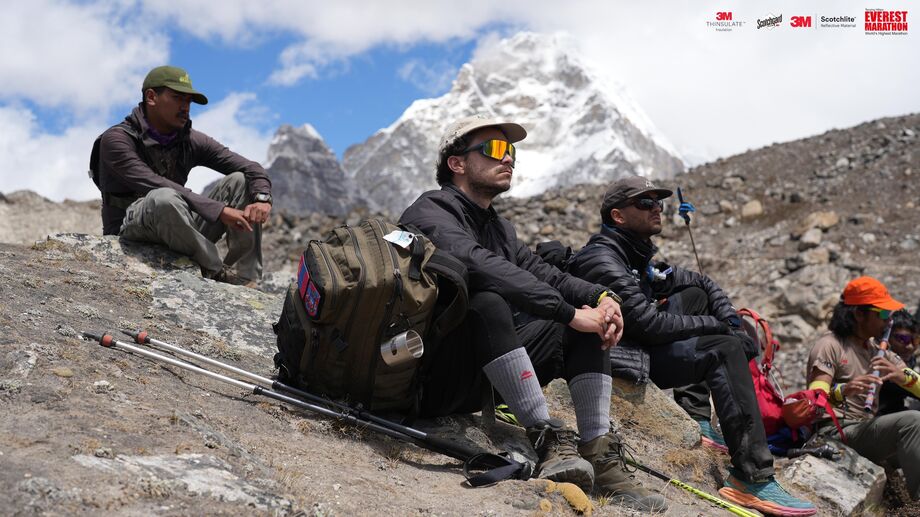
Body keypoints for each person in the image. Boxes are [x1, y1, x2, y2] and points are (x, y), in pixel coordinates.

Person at [399, 115, 666, 512]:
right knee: (484, 299)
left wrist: (602, 297)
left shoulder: (499, 228)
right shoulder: (430, 213)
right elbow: (479, 265)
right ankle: (545, 438)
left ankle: (597, 452)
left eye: (511, 152)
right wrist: (568, 313)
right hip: (428, 377)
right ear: (457, 163)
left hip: (479, 376)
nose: (507, 159)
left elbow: (543, 272)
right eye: (493, 150)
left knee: (587, 324)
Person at [566, 175, 816, 516]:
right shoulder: (602, 259)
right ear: (617, 216)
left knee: (695, 296)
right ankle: (752, 478)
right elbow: (649, 325)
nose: (657, 209)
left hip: (642, 346)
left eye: (659, 202)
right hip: (623, 356)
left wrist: (730, 321)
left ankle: (696, 416)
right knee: (723, 348)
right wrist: (721, 330)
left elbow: (701, 282)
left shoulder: (635, 255)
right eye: (645, 203)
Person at [97, 65, 272, 286]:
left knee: (240, 181)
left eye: (189, 101)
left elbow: (251, 168)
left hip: (178, 230)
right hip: (130, 233)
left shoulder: (190, 140)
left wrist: (262, 198)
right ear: (151, 97)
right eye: (178, 98)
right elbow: (153, 183)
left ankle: (244, 279)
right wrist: (219, 211)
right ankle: (215, 270)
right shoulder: (117, 140)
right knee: (163, 198)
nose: (186, 107)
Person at [806, 277, 920, 499]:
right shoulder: (830, 345)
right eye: (883, 314)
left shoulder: (878, 350)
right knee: (913, 421)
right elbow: (814, 398)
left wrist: (901, 376)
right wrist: (843, 391)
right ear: (859, 314)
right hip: (835, 431)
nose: (889, 322)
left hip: (865, 429)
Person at [878, 309, 920, 415]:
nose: (910, 346)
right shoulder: (879, 359)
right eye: (903, 339)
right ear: (886, 338)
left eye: (916, 340)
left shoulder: (908, 358)